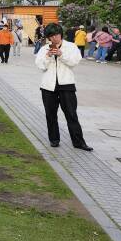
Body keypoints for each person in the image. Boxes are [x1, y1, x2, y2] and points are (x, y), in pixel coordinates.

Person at [35, 23, 92, 151]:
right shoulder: (44, 49)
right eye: (51, 36)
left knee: (71, 114)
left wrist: (61, 54)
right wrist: (48, 56)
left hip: (67, 85)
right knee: (50, 114)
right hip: (48, 86)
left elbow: (74, 62)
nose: (54, 38)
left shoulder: (71, 47)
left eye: (56, 35)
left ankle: (78, 142)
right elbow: (40, 66)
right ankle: (54, 140)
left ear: (61, 34)